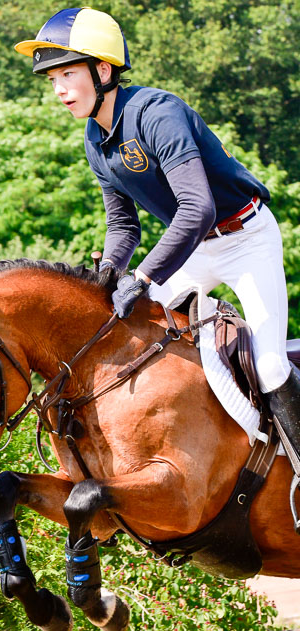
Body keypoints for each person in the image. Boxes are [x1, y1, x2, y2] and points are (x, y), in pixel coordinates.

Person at [15, 6, 300, 469]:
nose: (59, 89)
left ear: (102, 69)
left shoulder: (157, 112)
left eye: (67, 73)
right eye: (51, 80)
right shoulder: (95, 137)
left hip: (246, 239)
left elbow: (198, 207)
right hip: (192, 248)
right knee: (122, 331)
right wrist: (108, 273)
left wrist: (143, 276)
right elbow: (124, 225)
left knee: (269, 366)